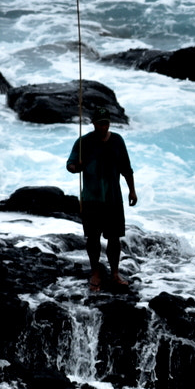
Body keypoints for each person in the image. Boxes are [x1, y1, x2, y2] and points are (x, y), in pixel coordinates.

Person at [65, 110, 138, 290]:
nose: (103, 127)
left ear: (109, 123)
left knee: (114, 238)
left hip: (113, 198)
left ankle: (114, 272)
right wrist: (77, 167)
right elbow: (70, 165)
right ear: (93, 123)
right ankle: (95, 272)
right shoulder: (84, 142)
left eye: (106, 123)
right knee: (93, 237)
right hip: (91, 197)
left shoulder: (117, 141)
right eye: (99, 123)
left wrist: (132, 191)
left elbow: (126, 168)